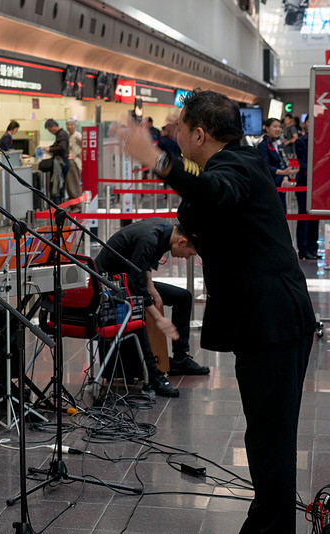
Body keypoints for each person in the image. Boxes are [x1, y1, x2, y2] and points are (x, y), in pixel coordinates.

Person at [115, 89, 314, 534]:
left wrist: (159, 159)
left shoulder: (236, 167)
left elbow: (214, 191)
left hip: (273, 323)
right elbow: (209, 203)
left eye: (181, 129)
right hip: (263, 323)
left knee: (270, 439)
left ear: (200, 135)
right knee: (266, 437)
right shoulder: (236, 164)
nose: (175, 134)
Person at [94, 218, 209, 392]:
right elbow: (136, 283)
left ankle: (180, 359)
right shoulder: (148, 238)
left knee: (183, 297)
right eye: (189, 253)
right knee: (139, 312)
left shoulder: (163, 230)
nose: (187, 258)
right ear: (182, 241)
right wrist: (159, 318)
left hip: (128, 279)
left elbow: (142, 265)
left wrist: (152, 287)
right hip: (110, 285)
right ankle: (153, 375)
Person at [257, 117, 298, 213]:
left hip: (280, 184)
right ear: (267, 128)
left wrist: (285, 177)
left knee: (282, 213)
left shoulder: (278, 144)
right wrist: (283, 172)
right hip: (270, 187)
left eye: (279, 127)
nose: (278, 129)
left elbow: (283, 162)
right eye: (275, 127)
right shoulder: (263, 145)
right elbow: (265, 166)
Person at [294, 117, 319, 260]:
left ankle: (313, 248)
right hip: (305, 183)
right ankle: (303, 249)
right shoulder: (300, 141)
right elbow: (303, 165)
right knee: (304, 216)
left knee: (316, 217)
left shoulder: (320, 141)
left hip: (317, 185)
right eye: (310, 121)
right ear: (306, 124)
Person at [40, 118, 70, 204]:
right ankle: (59, 205)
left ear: (54, 126)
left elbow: (62, 147)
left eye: (50, 130)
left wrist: (50, 149)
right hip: (62, 162)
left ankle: (58, 206)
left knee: (58, 186)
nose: (50, 132)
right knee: (59, 185)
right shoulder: (60, 134)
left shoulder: (61, 134)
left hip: (61, 163)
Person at [65, 118, 83, 206]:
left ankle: (78, 204)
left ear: (75, 126)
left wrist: (80, 153)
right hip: (70, 162)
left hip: (76, 163)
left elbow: (85, 144)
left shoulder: (77, 135)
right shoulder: (68, 136)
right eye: (68, 125)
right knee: (70, 185)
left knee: (75, 184)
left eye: (71, 125)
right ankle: (74, 204)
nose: (69, 127)